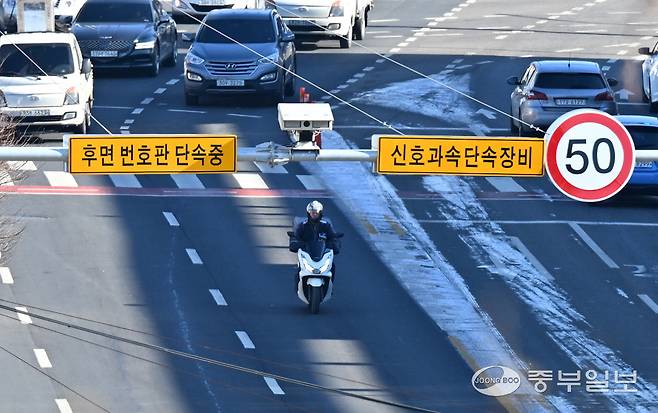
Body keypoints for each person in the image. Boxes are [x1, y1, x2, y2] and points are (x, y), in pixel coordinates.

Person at [290, 200, 340, 292]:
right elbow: (297, 237)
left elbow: (332, 237)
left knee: (332, 266)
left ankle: (330, 286)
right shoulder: (303, 226)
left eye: (316, 213)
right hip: (307, 253)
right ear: (308, 213)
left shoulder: (326, 225)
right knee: (300, 268)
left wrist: (334, 243)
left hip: (321, 253)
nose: (314, 214)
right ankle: (298, 286)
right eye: (312, 212)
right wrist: (295, 243)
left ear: (320, 213)